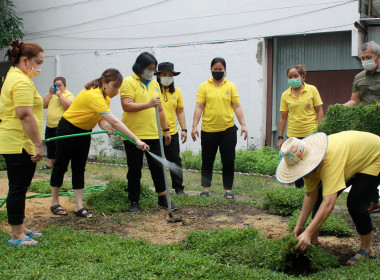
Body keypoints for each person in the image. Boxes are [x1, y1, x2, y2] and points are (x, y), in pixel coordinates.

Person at [50, 69, 148, 218]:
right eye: (114, 87)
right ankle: (54, 202)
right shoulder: (93, 94)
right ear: (104, 83)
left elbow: (101, 119)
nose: (116, 91)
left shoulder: (105, 96)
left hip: (84, 132)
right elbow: (114, 120)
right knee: (60, 166)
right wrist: (136, 139)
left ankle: (79, 206)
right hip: (68, 129)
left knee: (79, 168)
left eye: (118, 88)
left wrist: (106, 127)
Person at [276, 131, 380, 265]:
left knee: (356, 203)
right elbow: (311, 195)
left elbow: (329, 203)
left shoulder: (328, 161)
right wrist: (300, 226)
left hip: (373, 155)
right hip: (352, 157)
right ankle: (313, 239)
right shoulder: (306, 161)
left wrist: (307, 231)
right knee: (319, 193)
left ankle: (367, 250)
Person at [120, 52, 177, 213]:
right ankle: (134, 201)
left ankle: (162, 198)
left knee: (158, 168)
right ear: (139, 66)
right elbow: (127, 105)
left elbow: (160, 110)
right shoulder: (128, 82)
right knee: (134, 169)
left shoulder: (154, 84)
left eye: (153, 69)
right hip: (133, 134)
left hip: (153, 133)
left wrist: (166, 131)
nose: (151, 72)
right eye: (148, 68)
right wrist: (148, 104)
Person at [0, 40, 44, 246]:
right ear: (25, 60)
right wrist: (38, 144)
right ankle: (16, 234)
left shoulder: (16, 76)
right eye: (38, 62)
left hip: (18, 140)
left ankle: (21, 227)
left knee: (21, 187)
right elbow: (25, 115)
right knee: (18, 188)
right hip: (19, 142)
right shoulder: (21, 81)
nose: (39, 67)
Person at [191, 57, 247, 199]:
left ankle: (228, 189)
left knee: (228, 160)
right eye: (215, 69)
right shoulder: (204, 86)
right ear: (211, 69)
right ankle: (206, 188)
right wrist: (194, 126)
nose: (217, 71)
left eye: (220, 69)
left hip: (228, 130)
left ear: (225, 70)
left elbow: (237, 106)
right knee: (207, 160)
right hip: (208, 130)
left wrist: (243, 125)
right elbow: (199, 107)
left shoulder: (230, 86)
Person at [344, 41, 380, 213]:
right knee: (368, 163)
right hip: (368, 127)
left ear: (377, 56)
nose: (365, 60)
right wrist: (340, 108)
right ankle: (374, 200)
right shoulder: (359, 77)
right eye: (363, 58)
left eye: (368, 57)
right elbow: (355, 100)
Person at [277, 64, 324, 188]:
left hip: (311, 132)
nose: (293, 79)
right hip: (293, 135)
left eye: (296, 76)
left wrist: (321, 129)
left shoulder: (312, 90)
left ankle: (315, 189)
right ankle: (299, 190)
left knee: (313, 162)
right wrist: (280, 137)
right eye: (290, 77)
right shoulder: (285, 95)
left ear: (302, 76)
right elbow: (283, 117)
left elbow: (319, 110)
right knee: (296, 164)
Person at [155, 62, 187, 195]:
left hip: (172, 132)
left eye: (170, 75)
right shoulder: (153, 90)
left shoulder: (177, 91)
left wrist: (184, 129)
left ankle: (179, 188)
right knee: (158, 163)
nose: (167, 77)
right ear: (158, 76)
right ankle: (162, 190)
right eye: (164, 75)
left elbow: (180, 111)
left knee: (175, 160)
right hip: (156, 133)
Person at [41, 77, 75, 170]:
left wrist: (60, 96)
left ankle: (61, 164)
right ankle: (49, 164)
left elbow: (69, 107)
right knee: (50, 144)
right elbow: (43, 105)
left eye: (60, 85)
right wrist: (50, 93)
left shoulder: (68, 94)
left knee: (60, 146)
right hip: (49, 124)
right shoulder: (52, 95)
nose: (58, 87)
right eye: (56, 85)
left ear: (64, 86)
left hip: (61, 125)